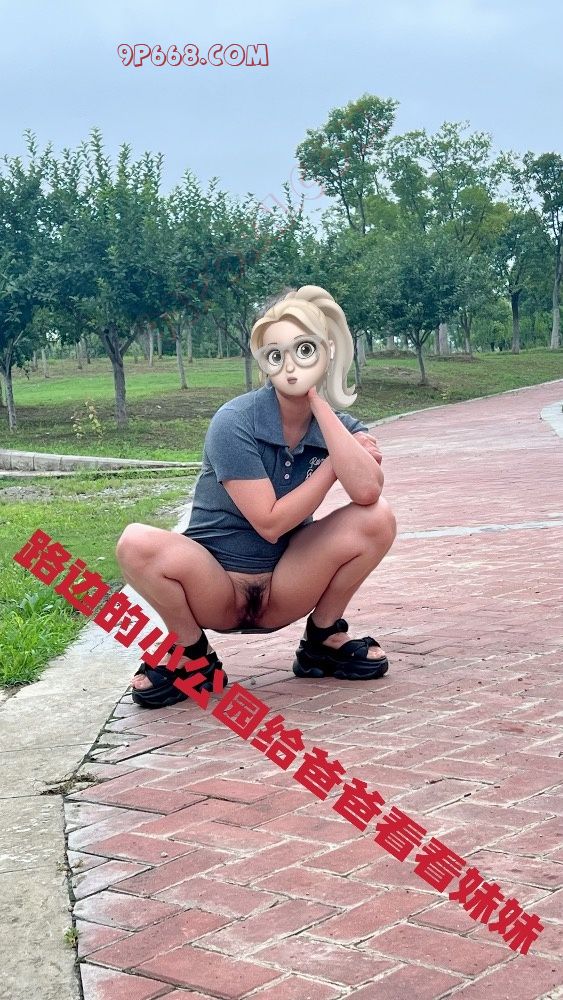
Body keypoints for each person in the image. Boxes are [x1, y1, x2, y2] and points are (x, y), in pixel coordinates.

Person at [116, 285, 397, 709]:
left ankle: (323, 638)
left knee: (377, 517)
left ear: (327, 353)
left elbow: (368, 490)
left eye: (305, 350)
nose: (291, 365)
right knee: (135, 542)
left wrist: (321, 408)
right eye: (277, 353)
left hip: (287, 584)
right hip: (216, 586)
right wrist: (336, 462)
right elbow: (269, 522)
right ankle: (193, 656)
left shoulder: (338, 425)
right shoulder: (235, 421)